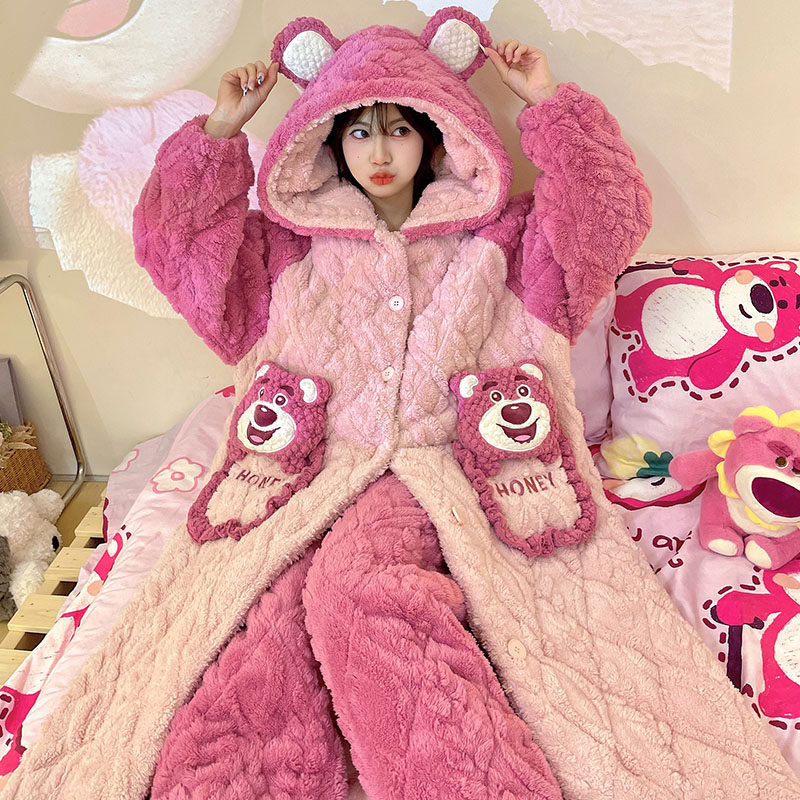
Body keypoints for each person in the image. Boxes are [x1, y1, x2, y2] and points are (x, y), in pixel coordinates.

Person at [19, 11, 743, 800]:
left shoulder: (505, 242)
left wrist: (548, 103)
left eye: (400, 129)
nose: (380, 152)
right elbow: (182, 256)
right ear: (329, 141)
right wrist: (220, 132)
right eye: (359, 132)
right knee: (268, 621)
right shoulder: (285, 251)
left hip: (448, 467)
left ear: (435, 136)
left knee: (362, 586)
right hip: (302, 470)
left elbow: (604, 220)